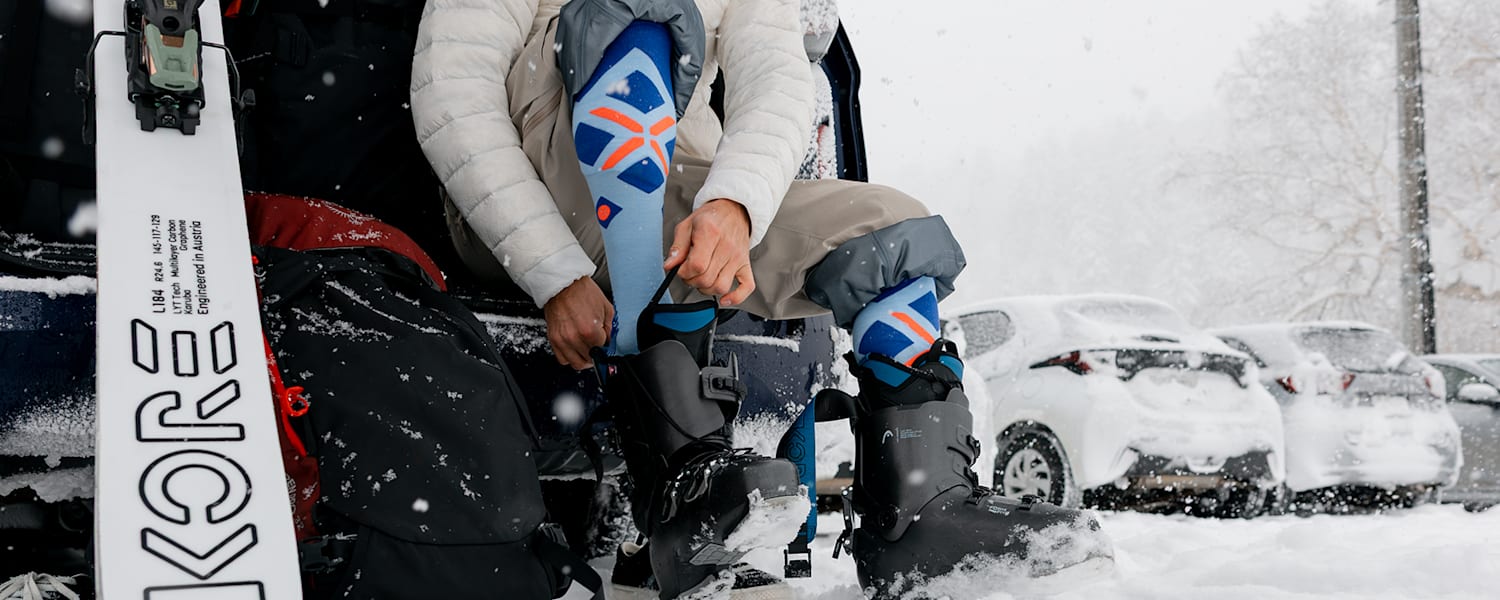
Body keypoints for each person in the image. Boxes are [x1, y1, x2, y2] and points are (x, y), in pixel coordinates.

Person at [411, 0, 1115, 598]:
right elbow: (452, 100)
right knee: (629, 19)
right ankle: (683, 490)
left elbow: (777, 80)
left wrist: (734, 206)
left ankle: (918, 522)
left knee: (892, 230)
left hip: (683, 183)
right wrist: (552, 270)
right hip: (529, 193)